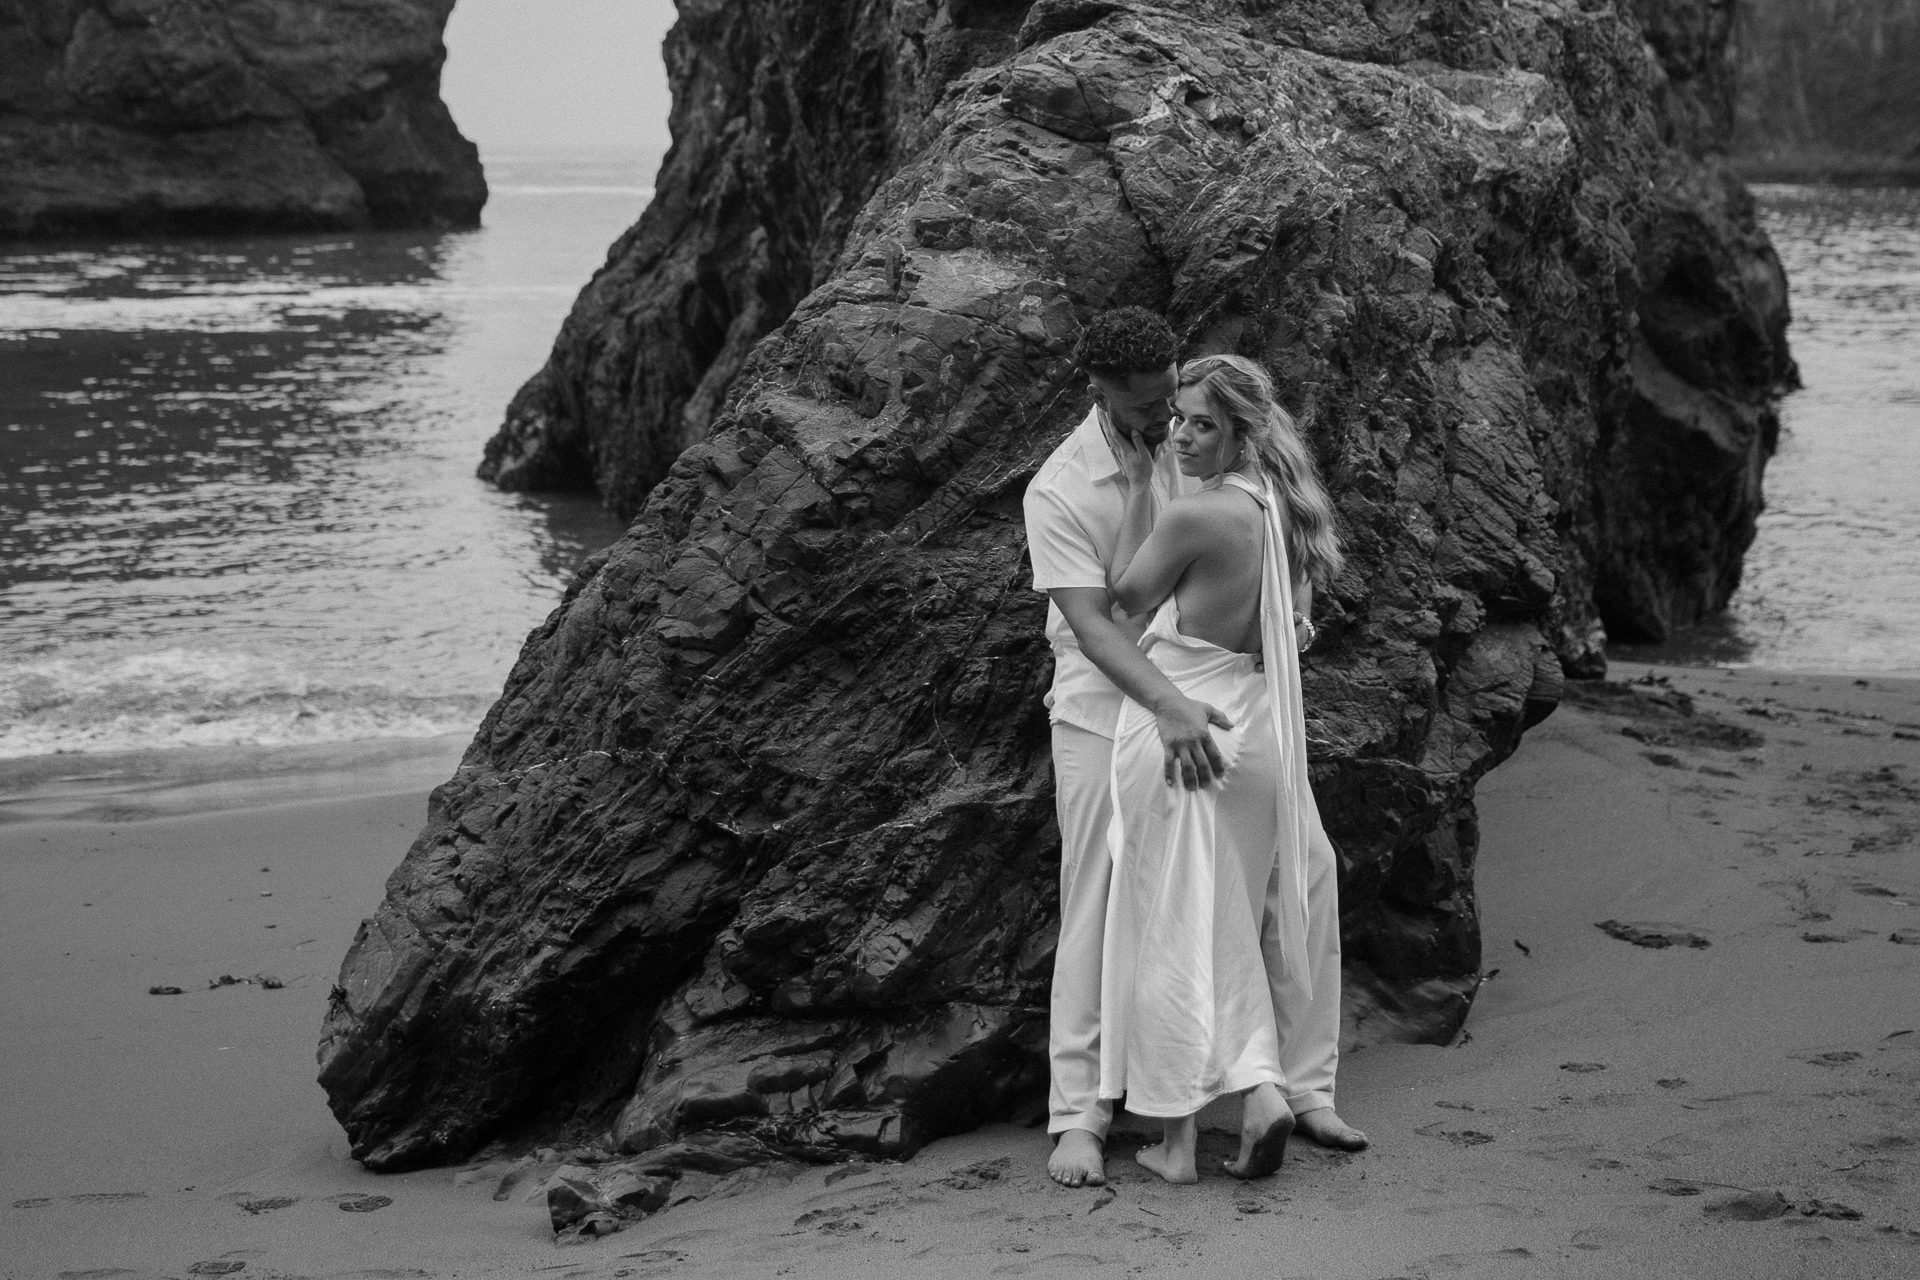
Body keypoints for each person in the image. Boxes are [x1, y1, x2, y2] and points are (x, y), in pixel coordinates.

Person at [1024, 314, 1363, 1189]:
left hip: (1227, 701)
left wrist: (1290, 618)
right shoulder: (1061, 488)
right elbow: (1094, 621)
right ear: (1098, 391)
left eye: (1170, 401)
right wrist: (1168, 703)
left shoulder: (1202, 442)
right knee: (1100, 899)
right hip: (1106, 709)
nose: (1162, 424)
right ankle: (1082, 1116)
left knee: (1304, 873)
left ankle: (1301, 1086)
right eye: (1145, 409)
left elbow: (1265, 547)